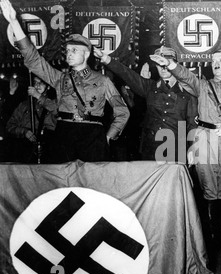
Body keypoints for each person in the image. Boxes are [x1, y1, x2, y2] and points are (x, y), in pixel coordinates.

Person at [149, 49, 221, 270]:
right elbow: (186, 76)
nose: (216, 63)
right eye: (214, 60)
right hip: (205, 139)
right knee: (208, 190)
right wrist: (169, 65)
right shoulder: (203, 86)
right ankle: (210, 242)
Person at [0, 0, 130, 163]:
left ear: (87, 54)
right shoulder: (59, 78)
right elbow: (33, 60)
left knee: (91, 185)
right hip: (64, 134)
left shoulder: (103, 81)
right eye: (68, 50)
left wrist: (109, 136)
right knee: (62, 185)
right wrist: (13, 22)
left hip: (93, 136)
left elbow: (122, 111)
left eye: (74, 50)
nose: (69, 54)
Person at [94, 46, 198, 162]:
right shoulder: (150, 87)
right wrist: (104, 57)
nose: (163, 68)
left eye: (166, 63)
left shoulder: (187, 91)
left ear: (174, 65)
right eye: (159, 64)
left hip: (177, 148)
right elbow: (126, 73)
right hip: (151, 148)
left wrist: (193, 148)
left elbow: (192, 123)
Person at [6, 76, 57, 163]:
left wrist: (38, 96)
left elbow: (55, 109)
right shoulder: (24, 105)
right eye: (35, 82)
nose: (37, 85)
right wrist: (24, 131)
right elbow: (10, 126)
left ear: (48, 86)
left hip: (47, 149)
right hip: (25, 150)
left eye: (41, 82)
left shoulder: (54, 102)